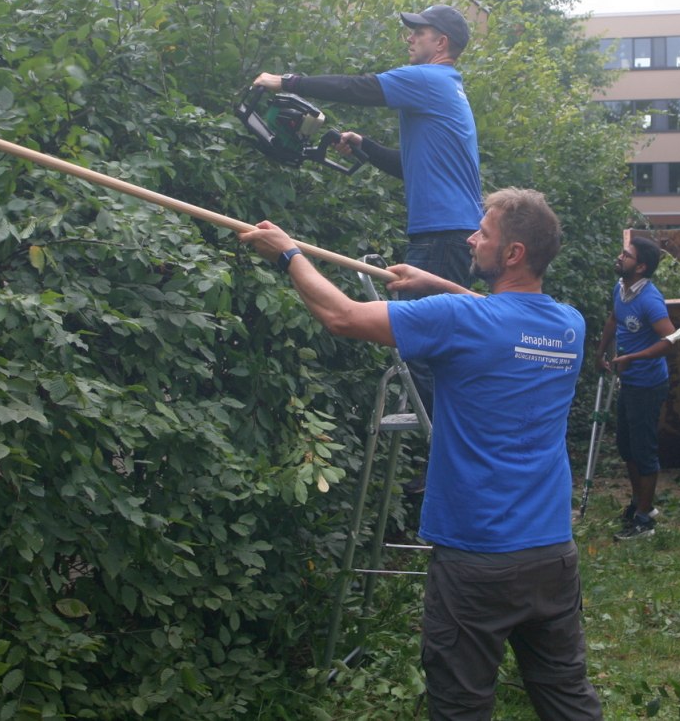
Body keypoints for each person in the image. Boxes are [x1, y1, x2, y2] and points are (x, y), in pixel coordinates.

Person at [239, 188, 602, 721]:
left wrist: (289, 254)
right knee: (566, 696)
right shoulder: (568, 325)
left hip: (477, 560)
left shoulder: (458, 319)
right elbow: (504, 314)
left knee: (461, 706)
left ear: (514, 254)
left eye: (484, 233)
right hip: (551, 552)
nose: (472, 238)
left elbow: (342, 316)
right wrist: (436, 284)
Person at [251, 4, 482, 424]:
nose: (409, 37)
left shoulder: (430, 79)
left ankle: (449, 454)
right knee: (436, 345)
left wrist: (285, 81)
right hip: (451, 232)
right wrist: (366, 146)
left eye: (418, 31)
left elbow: (361, 87)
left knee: (424, 347)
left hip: (444, 234)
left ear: (441, 43)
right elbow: (409, 166)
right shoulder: (447, 89)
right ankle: (449, 448)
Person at [595, 235, 680, 541]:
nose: (620, 257)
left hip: (647, 384)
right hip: (628, 382)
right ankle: (639, 501)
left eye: (626, 256)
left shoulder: (649, 299)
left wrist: (633, 357)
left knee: (644, 451)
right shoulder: (622, 288)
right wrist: (601, 350)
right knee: (626, 446)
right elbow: (615, 317)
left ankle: (645, 520)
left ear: (641, 267)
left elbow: (670, 340)